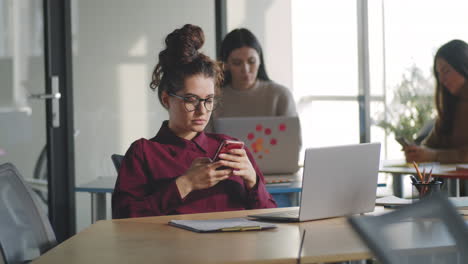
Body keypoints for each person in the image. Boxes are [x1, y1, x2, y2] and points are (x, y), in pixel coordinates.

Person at [111, 24, 277, 219]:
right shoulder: (144, 153)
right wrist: (185, 184)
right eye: (191, 100)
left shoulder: (230, 148)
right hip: (173, 249)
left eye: (208, 100)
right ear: (166, 99)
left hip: (237, 247)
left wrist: (253, 181)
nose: (202, 110)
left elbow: (272, 216)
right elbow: (123, 219)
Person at [404, 39, 468, 163]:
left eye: (446, 71)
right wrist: (417, 152)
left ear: (464, 65)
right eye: (438, 74)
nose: (442, 79)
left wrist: (433, 156)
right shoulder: (450, 107)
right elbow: (430, 145)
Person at [213, 28, 297, 118]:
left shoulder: (280, 95)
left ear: (260, 61)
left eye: (252, 61)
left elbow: (292, 131)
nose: (245, 69)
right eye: (237, 63)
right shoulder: (215, 99)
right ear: (225, 65)